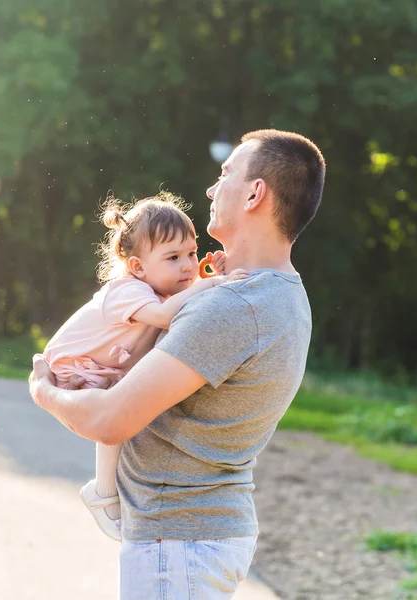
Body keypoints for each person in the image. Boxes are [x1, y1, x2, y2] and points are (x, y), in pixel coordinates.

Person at [29, 129, 326, 600]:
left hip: (180, 541)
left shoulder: (234, 306)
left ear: (255, 193)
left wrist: (44, 390)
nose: (211, 188)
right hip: (194, 535)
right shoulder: (281, 293)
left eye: (225, 173)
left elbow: (109, 420)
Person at [42, 191, 247, 541]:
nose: (187, 265)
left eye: (192, 253)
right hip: (73, 366)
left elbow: (187, 299)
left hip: (102, 366)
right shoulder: (125, 290)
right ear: (138, 267)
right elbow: (168, 316)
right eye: (173, 257)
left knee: (131, 407)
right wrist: (214, 283)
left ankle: (110, 488)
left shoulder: (160, 287)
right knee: (119, 411)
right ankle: (103, 491)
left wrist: (214, 273)